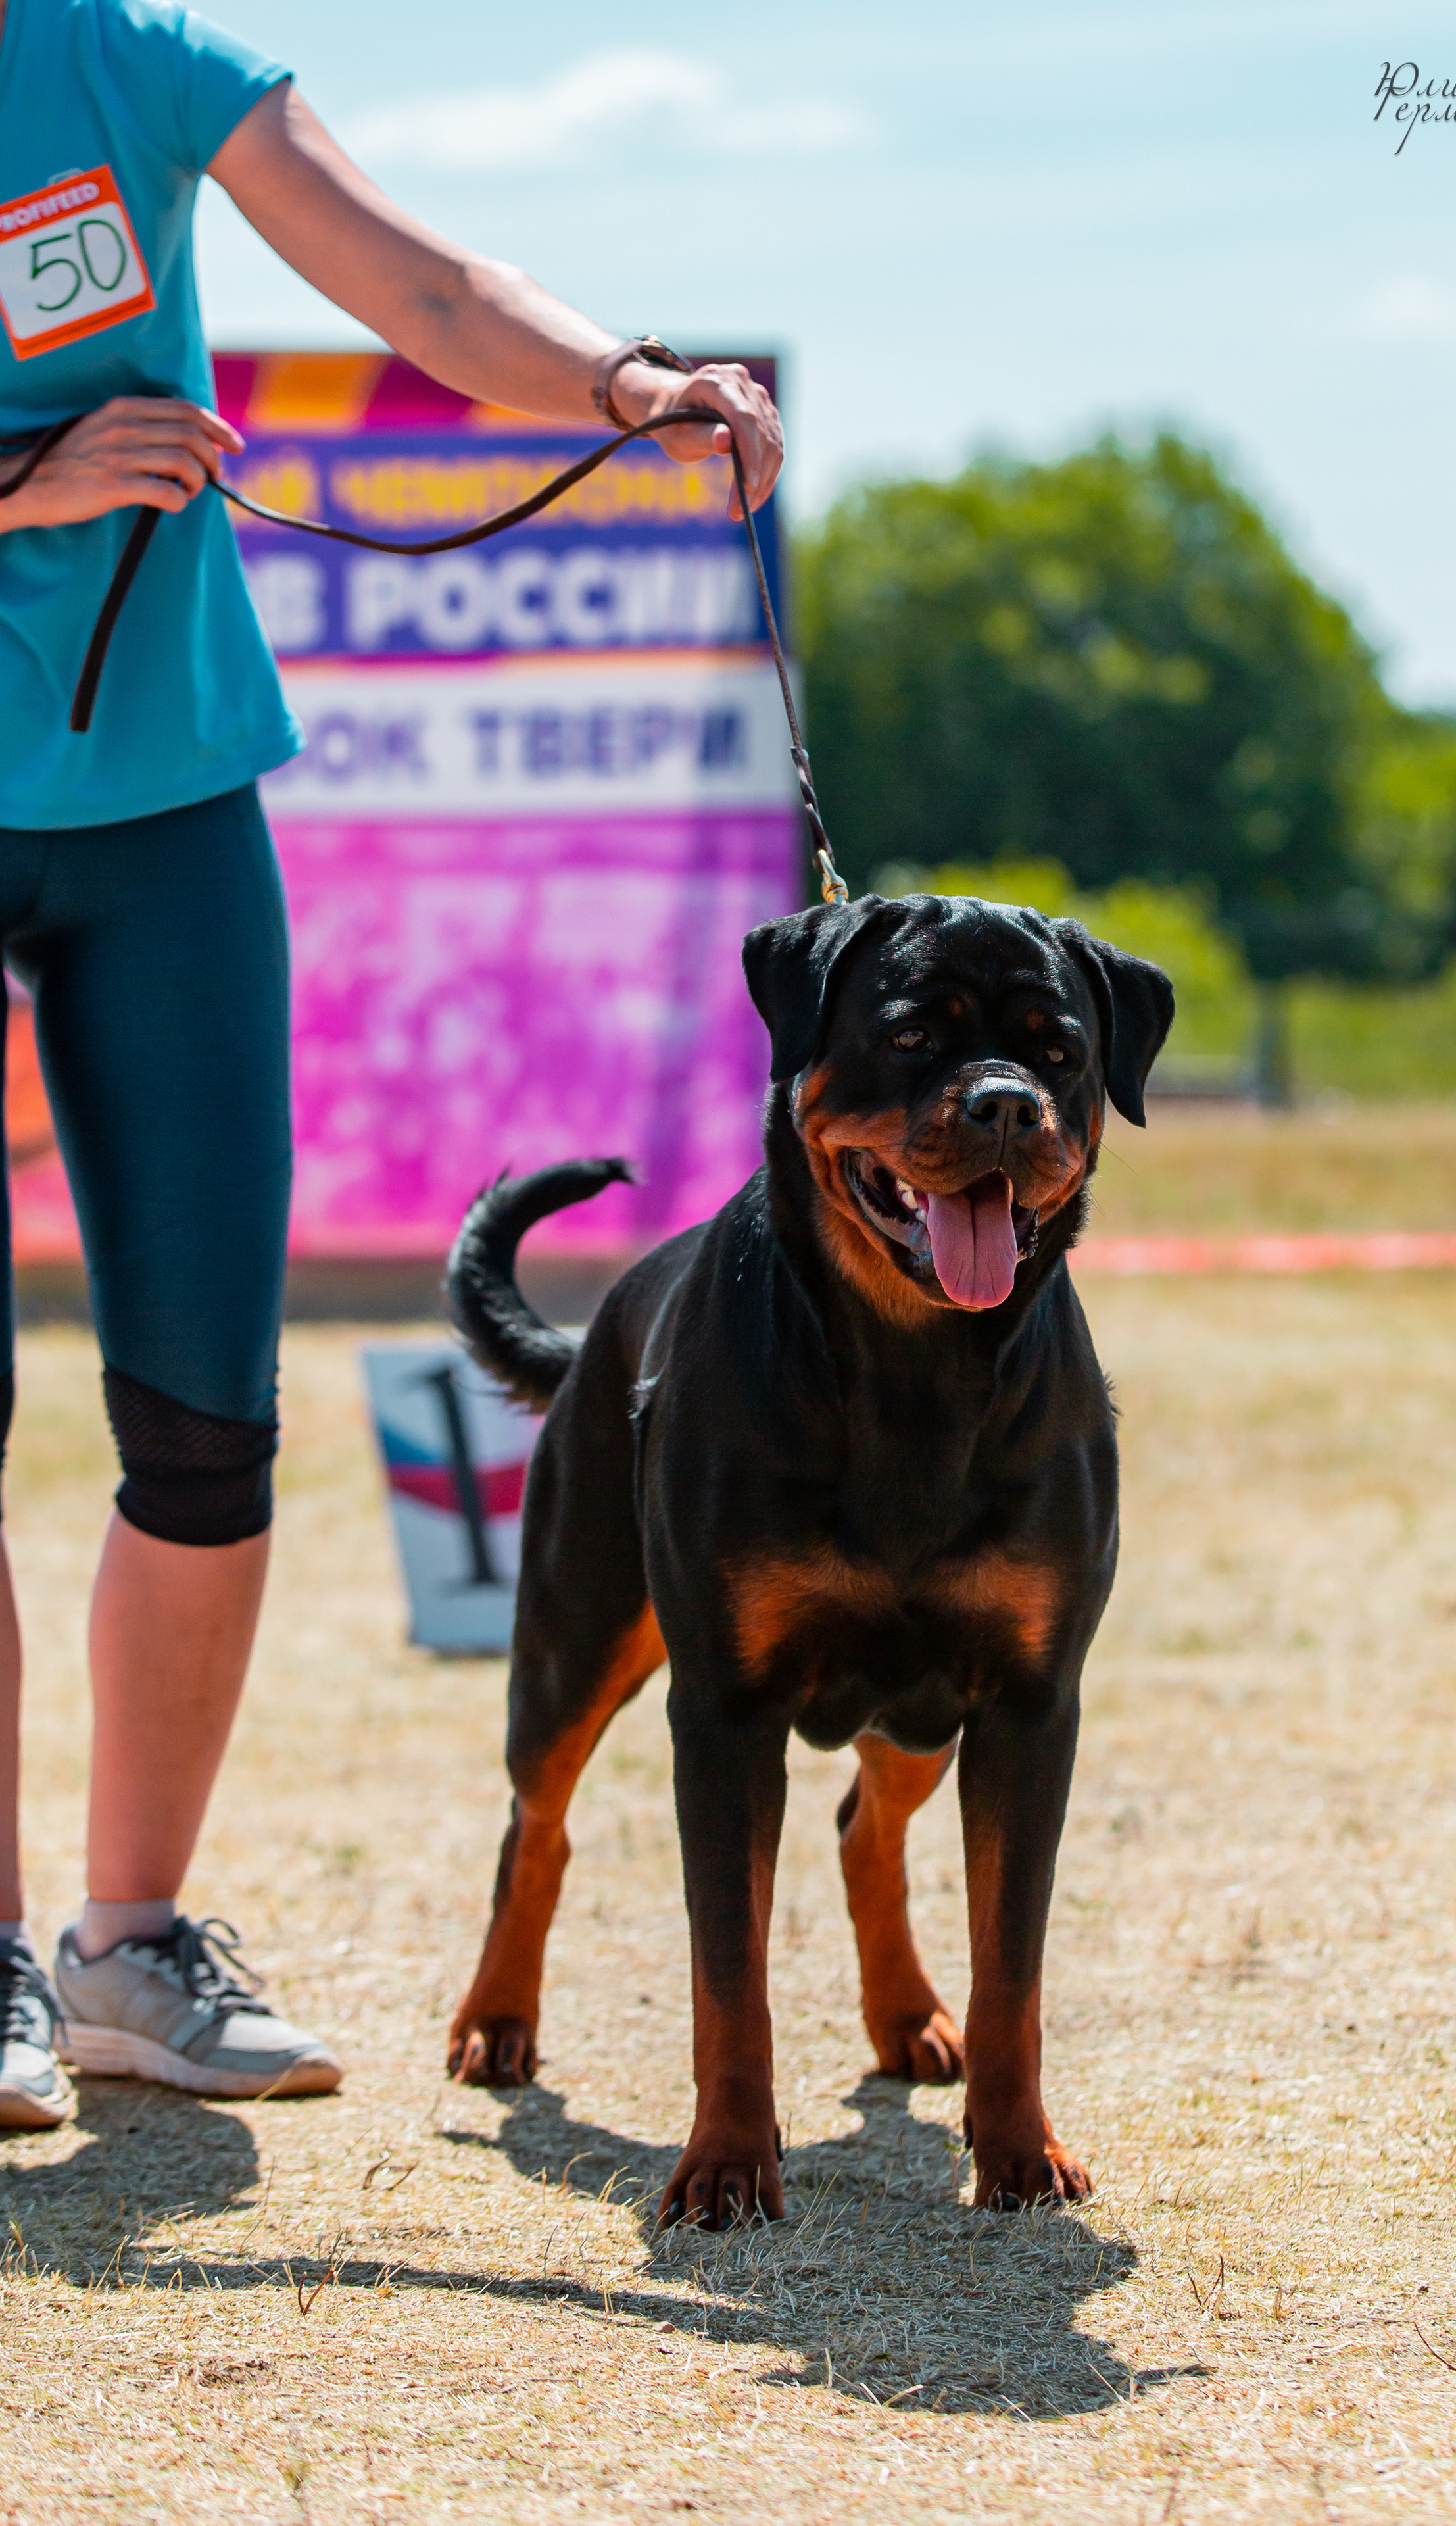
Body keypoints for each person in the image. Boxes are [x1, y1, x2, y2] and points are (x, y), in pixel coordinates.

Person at [0, 0, 783, 2130]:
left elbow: (424, 283)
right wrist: (23, 482)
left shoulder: (133, 53)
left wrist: (628, 384)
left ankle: (128, 1950)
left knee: (204, 1411)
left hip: (168, 811)